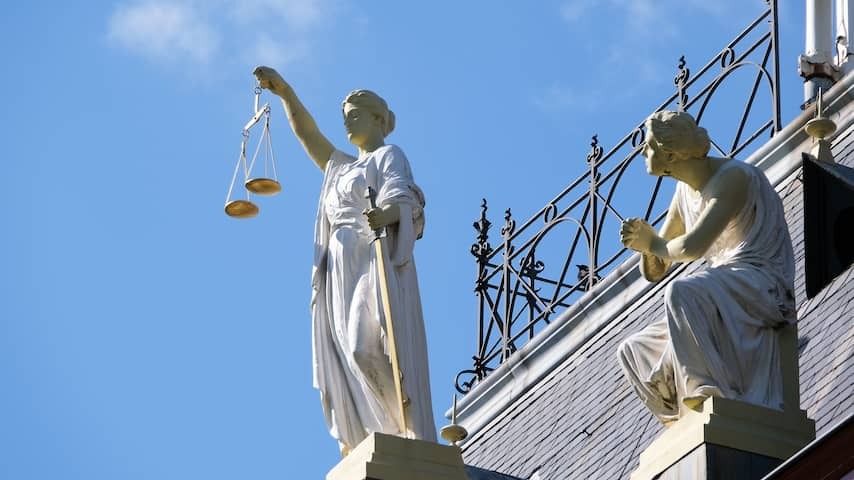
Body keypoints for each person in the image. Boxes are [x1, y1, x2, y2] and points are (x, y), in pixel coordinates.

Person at [253, 66, 436, 454]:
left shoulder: (387, 155)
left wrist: (386, 215)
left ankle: (403, 423)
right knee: (348, 358)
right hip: (338, 266)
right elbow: (308, 134)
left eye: (355, 113)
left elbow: (404, 197)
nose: (347, 120)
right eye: (345, 115)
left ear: (376, 119)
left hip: (372, 256)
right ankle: (379, 431)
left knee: (363, 346)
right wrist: (285, 92)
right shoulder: (339, 167)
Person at [617, 111, 796, 425]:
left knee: (682, 293)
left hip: (758, 280)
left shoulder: (733, 178)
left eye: (648, 147)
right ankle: (682, 423)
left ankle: (703, 391)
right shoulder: (685, 191)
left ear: (670, 154)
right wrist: (646, 246)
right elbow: (657, 268)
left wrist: (652, 244)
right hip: (723, 287)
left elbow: (690, 247)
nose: (643, 153)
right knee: (633, 350)